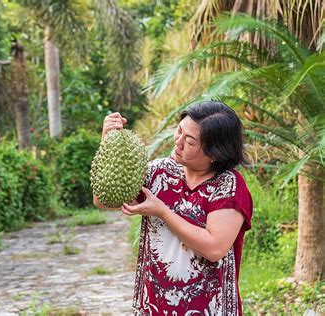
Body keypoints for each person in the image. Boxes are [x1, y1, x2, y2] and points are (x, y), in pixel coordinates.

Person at [93, 101, 253, 315]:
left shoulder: (228, 186)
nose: (178, 142)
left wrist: (163, 212)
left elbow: (214, 248)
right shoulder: (159, 172)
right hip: (155, 305)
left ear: (214, 153)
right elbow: (104, 200)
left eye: (190, 141)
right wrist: (108, 144)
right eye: (179, 131)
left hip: (208, 308)